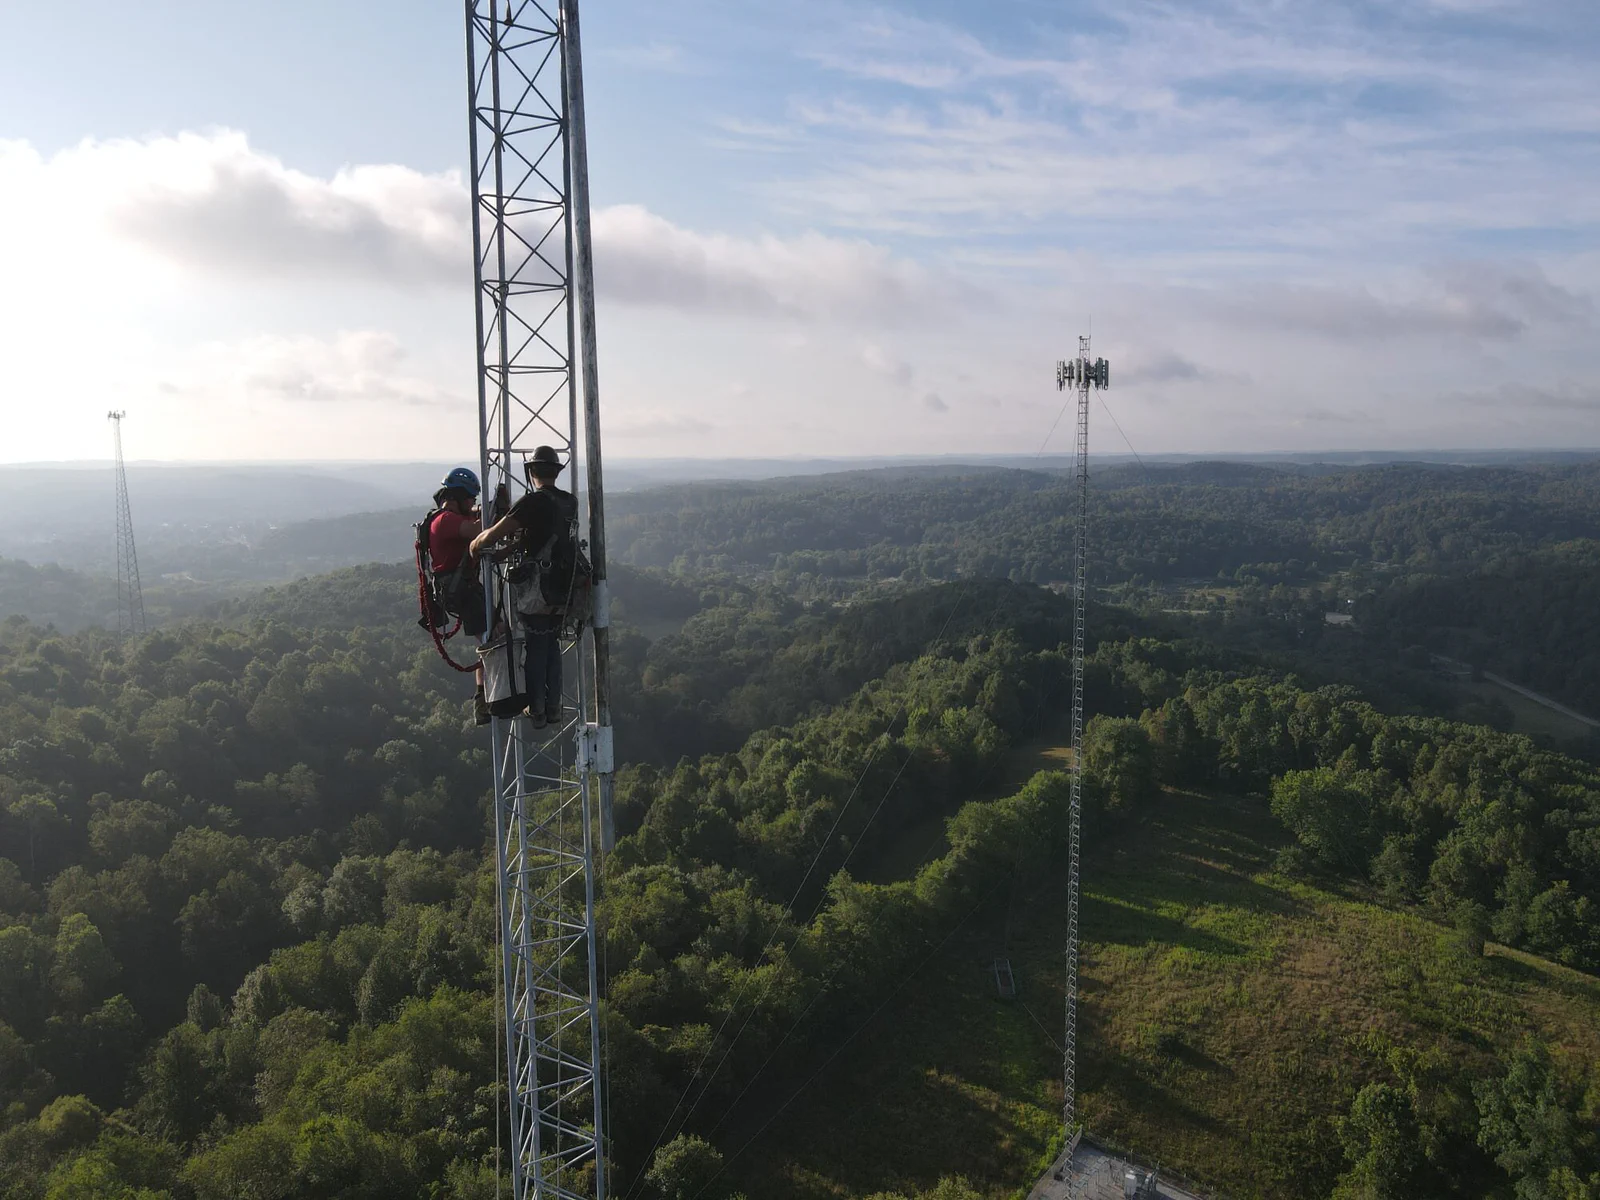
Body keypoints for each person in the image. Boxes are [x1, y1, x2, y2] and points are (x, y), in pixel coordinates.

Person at [469, 446, 577, 729]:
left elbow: (496, 533)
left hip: (537, 589)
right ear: (556, 471)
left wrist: (477, 544)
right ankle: (553, 707)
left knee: (536, 645)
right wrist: (517, 546)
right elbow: (544, 537)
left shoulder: (533, 502)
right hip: (566, 587)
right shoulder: (569, 502)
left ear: (531, 472)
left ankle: (537, 709)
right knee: (551, 644)